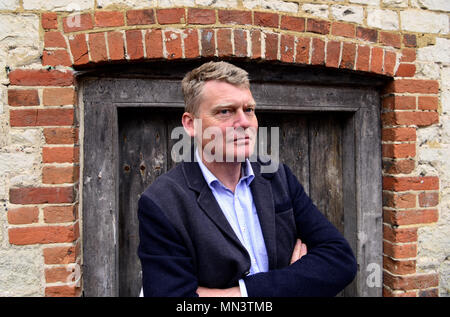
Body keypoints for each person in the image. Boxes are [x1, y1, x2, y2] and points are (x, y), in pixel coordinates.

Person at [137, 61, 357, 297]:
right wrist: (295, 283)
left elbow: (340, 260)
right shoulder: (162, 202)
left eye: (249, 110)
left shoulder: (276, 175)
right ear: (191, 124)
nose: (243, 122)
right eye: (225, 111)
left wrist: (241, 293)